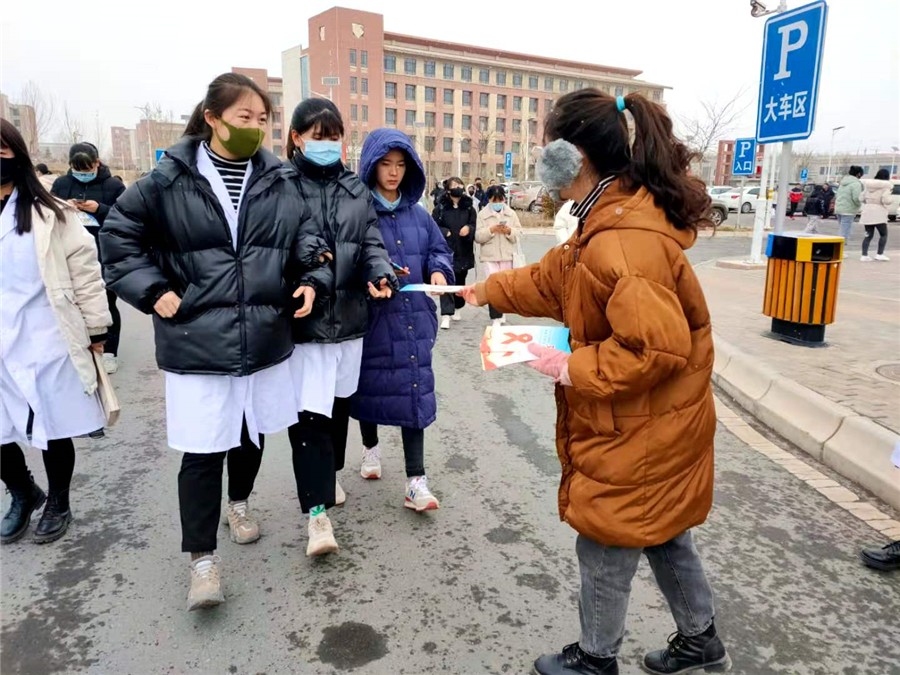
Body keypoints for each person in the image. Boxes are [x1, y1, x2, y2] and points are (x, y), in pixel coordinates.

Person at [461, 90, 729, 675]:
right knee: (663, 532)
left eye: (547, 145)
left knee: (606, 541)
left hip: (641, 428)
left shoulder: (621, 238)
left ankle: (595, 659)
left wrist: (569, 366)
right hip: (657, 421)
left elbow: (653, 348)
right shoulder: (606, 218)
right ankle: (701, 639)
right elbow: (552, 281)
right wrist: (485, 290)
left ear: (573, 154)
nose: (540, 157)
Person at [100, 73, 330, 611]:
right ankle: (202, 561)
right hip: (197, 340)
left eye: (262, 120)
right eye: (244, 117)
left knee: (250, 434)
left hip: (264, 336)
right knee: (203, 450)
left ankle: (240, 503)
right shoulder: (168, 180)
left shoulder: (279, 179)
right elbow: (117, 236)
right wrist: (152, 290)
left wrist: (310, 279)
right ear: (212, 118)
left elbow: (308, 240)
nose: (255, 128)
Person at [283, 98, 396, 557]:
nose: (328, 144)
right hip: (305, 322)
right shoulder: (281, 185)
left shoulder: (354, 188)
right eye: (318, 136)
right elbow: (280, 244)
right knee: (309, 417)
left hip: (349, 319)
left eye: (334, 137)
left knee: (337, 408)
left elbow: (370, 241)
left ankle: (327, 476)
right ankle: (316, 516)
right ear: (296, 138)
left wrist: (379, 273)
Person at [1, 119, 112, 545]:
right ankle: (23, 492)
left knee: (53, 425)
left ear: (17, 156)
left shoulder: (52, 213)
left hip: (45, 337)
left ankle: (58, 502)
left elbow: (85, 273)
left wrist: (96, 328)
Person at [352, 128, 454, 512]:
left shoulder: (420, 216)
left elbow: (438, 251)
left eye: (400, 165)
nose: (393, 172)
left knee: (414, 390)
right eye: (385, 164)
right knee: (370, 387)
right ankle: (370, 448)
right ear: (371, 166)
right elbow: (351, 260)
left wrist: (439, 271)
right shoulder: (359, 214)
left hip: (414, 317)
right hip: (373, 318)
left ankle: (416, 481)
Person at [51, 143, 126, 374]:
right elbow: (46, 214)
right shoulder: (61, 184)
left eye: (87, 168)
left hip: (105, 252)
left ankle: (110, 352)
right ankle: (79, 349)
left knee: (106, 303)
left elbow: (127, 216)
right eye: (78, 169)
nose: (83, 173)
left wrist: (100, 208)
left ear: (97, 163)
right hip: (69, 254)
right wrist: (64, 208)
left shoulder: (113, 186)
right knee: (70, 303)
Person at [475, 184, 522, 329]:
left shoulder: (511, 214)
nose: (497, 203)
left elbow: (519, 233)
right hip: (490, 256)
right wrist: (491, 230)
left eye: (500, 200)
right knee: (494, 286)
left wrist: (509, 231)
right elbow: (478, 237)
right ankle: (495, 316)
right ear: (489, 200)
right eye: (494, 201)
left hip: (507, 255)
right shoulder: (482, 215)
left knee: (505, 286)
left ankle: (503, 311)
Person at [433, 176, 476, 330]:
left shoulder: (469, 208)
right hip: (446, 250)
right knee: (445, 280)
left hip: (463, 250)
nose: (458, 188)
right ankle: (446, 314)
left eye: (460, 185)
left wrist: (469, 229)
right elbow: (433, 226)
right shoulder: (440, 208)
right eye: (455, 185)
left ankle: (458, 306)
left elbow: (474, 225)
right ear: (448, 190)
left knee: (460, 280)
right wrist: (445, 232)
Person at [859, 168, 892, 262]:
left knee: (868, 235)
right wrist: (891, 200)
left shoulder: (868, 186)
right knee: (883, 234)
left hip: (867, 212)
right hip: (879, 212)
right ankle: (879, 254)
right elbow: (886, 200)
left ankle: (864, 255)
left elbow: (861, 198)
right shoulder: (886, 186)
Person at [835, 166, 864, 253]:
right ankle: (839, 252)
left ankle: (838, 251)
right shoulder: (856, 184)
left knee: (842, 230)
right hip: (848, 210)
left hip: (839, 208)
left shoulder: (843, 182)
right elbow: (856, 198)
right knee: (844, 232)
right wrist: (859, 205)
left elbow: (837, 195)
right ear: (859, 174)